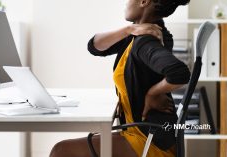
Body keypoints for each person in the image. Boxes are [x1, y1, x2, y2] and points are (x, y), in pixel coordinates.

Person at [49, 0, 191, 156]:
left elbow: (179, 73)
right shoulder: (137, 35)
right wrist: (129, 29)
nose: (126, 2)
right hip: (141, 130)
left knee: (60, 151)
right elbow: (95, 47)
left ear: (143, 2)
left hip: (149, 139)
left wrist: (153, 93)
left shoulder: (146, 41)